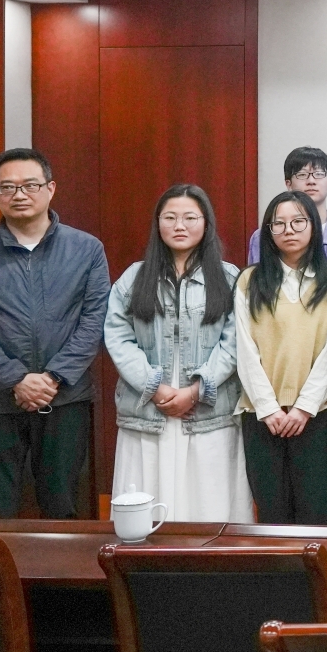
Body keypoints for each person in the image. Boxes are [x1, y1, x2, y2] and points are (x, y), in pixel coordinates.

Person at [0, 148, 109, 518]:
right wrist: (16, 379)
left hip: (64, 399)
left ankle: (62, 563)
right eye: (7, 187)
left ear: (50, 188)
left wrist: (52, 377)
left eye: (30, 185)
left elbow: (94, 320)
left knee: (63, 507)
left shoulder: (87, 249)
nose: (19, 194)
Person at [104, 184, 251, 522]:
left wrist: (196, 390)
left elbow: (235, 342)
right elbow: (118, 337)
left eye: (189, 218)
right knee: (147, 501)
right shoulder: (134, 277)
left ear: (206, 223)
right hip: (148, 406)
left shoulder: (230, 278)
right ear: (158, 223)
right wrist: (154, 386)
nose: (179, 225)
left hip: (209, 408)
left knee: (208, 501)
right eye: (169, 217)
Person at [235, 190, 327, 525]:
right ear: (268, 231)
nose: (289, 230)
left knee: (319, 513)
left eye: (298, 221)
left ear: (313, 226)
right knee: (273, 514)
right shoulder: (249, 281)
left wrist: (303, 407)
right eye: (279, 223)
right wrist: (269, 408)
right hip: (261, 416)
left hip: (318, 415)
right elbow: (244, 349)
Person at [248, 147, 327, 270]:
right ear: (288, 184)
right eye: (302, 175)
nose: (311, 181)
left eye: (319, 174)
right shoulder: (262, 237)